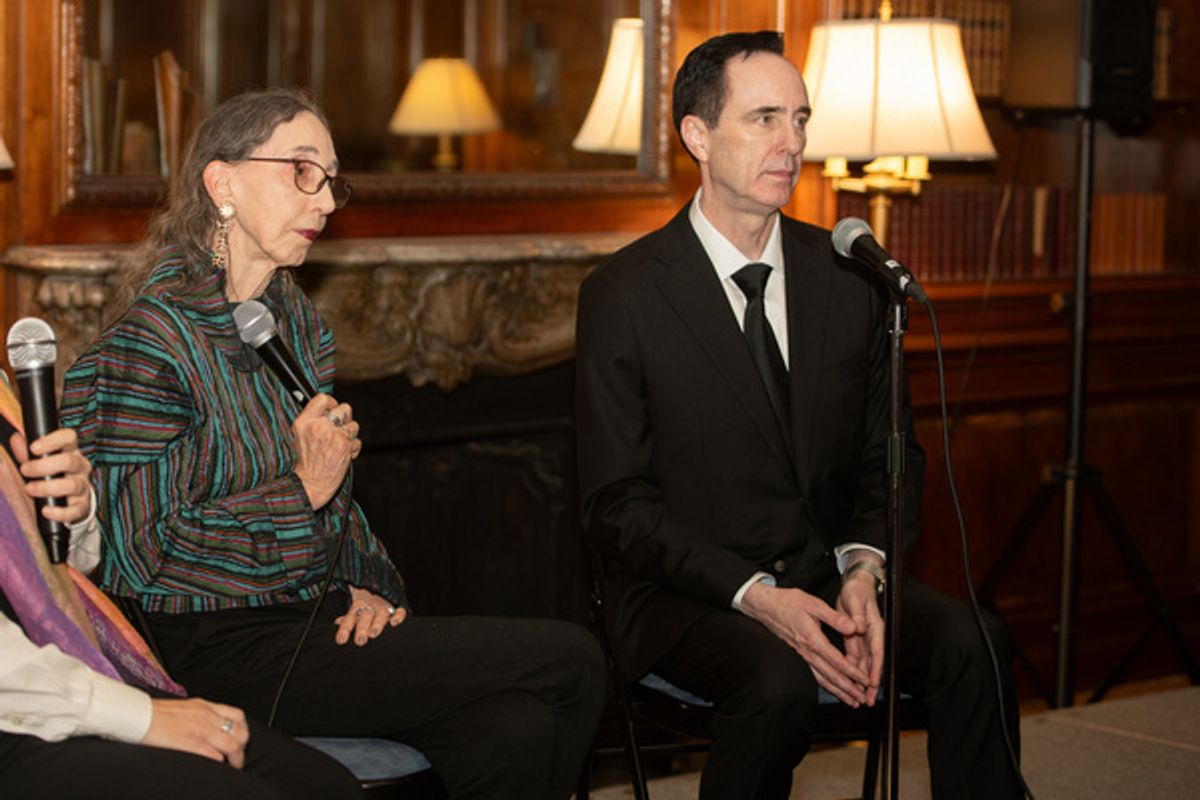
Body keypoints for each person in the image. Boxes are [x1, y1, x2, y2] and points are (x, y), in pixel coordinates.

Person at [59, 87, 605, 800]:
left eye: (333, 181)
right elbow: (139, 557)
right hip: (207, 650)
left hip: (307, 619)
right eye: (302, 171)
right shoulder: (150, 345)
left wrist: (370, 583)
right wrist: (300, 493)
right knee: (572, 659)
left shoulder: (296, 326)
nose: (325, 201)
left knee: (516, 729)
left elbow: (340, 494)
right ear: (221, 182)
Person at [575, 31, 1022, 799]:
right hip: (692, 597)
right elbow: (618, 505)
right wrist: (756, 595)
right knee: (775, 681)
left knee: (974, 639)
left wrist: (865, 568)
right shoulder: (626, 293)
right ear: (698, 136)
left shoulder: (851, 275)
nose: (793, 143)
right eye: (765, 119)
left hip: (828, 570)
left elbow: (893, 458)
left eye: (802, 120)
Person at [0, 388, 365, 799]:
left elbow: (66, 570)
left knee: (325, 785)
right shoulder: (135, 366)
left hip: (70, 674)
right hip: (28, 709)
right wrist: (140, 716)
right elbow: (148, 557)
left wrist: (77, 509)